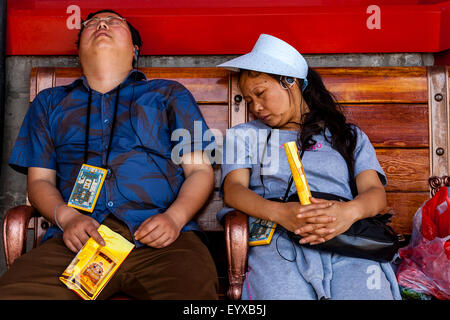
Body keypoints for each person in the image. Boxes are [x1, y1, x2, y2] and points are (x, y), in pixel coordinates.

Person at [0, 9, 218, 300]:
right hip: (78, 241)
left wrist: (175, 218)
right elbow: (39, 181)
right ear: (78, 52)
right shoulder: (50, 102)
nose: (102, 24)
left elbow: (201, 171)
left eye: (115, 22)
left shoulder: (169, 94)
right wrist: (67, 218)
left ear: (134, 49)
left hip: (162, 240)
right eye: (91, 24)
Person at [216, 34, 402, 300]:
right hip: (278, 238)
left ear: (289, 81)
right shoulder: (244, 135)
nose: (256, 107)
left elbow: (374, 192)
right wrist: (280, 213)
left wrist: (348, 212)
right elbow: (233, 190)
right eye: (248, 100)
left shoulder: (346, 135)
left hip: (346, 237)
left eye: (260, 93)